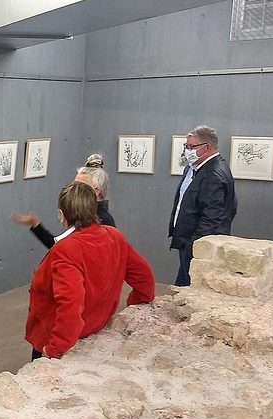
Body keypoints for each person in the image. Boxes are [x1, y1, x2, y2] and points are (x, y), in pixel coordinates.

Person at [25, 183, 155, 360]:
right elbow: (143, 275)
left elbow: (71, 301)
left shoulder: (66, 249)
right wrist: (139, 300)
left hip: (55, 332)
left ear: (62, 214)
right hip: (97, 323)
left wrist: (56, 347)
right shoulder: (114, 235)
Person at [168, 125, 237, 287]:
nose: (187, 151)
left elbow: (212, 216)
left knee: (190, 286)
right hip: (186, 239)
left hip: (197, 244)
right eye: (186, 146)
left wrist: (196, 244)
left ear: (207, 147)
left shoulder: (214, 174)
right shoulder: (194, 168)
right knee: (183, 282)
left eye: (192, 147)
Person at [12, 166, 116, 248]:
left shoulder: (102, 221)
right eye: (74, 185)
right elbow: (60, 246)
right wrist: (36, 225)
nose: (73, 190)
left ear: (97, 191)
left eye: (80, 187)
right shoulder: (87, 215)